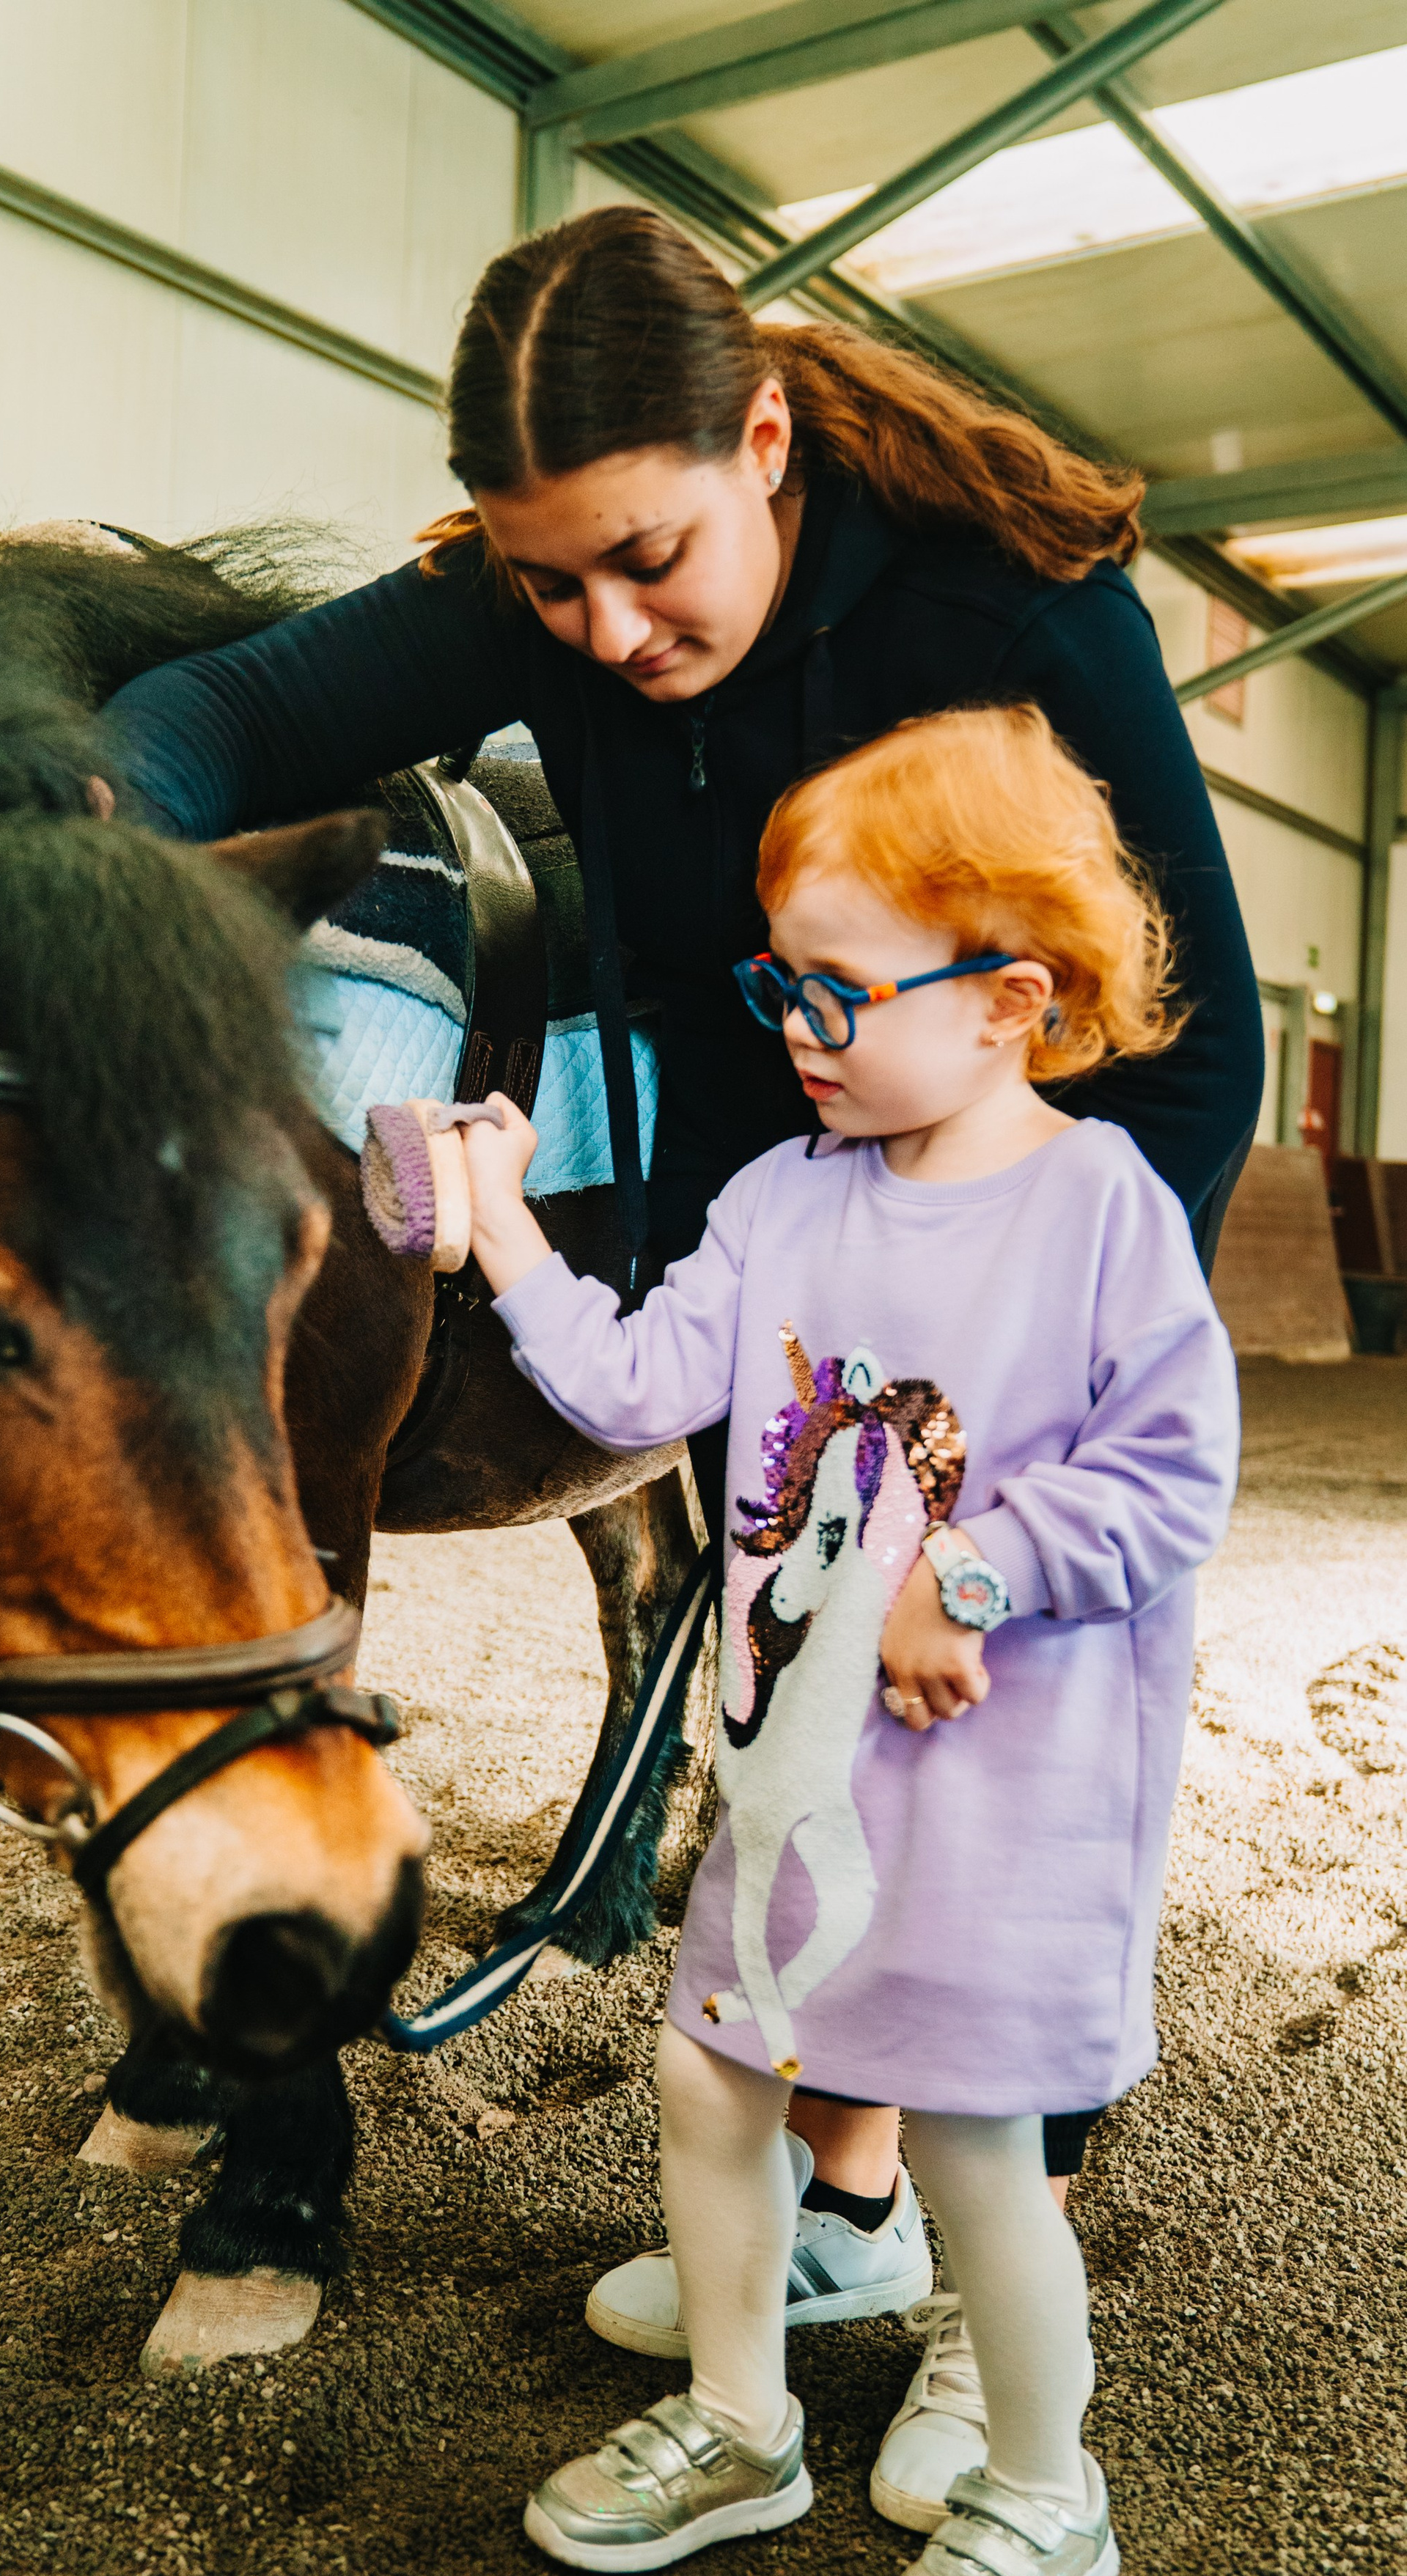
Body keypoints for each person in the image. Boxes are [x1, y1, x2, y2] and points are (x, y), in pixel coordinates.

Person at [101, 206, 1260, 2360]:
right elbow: (226, 709)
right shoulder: (536, 602)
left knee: (997, 1754)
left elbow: (1202, 1044)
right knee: (802, 1727)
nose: (605, 629)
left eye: (651, 557)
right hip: (774, 1207)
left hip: (1031, 1246)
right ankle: (845, 2205)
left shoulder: (1004, 596)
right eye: (548, 580)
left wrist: (1042, 1352)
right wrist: (87, 824)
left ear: (766, 437)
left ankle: (1006, 2295)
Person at [443, 703, 1238, 2576]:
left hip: (1001, 1817)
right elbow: (635, 1392)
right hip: (796, 1792)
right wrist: (508, 1239)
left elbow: (1169, 1477)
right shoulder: (789, 1200)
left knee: (982, 2156)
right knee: (713, 2079)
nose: (795, 1022)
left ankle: (1049, 2499)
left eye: (838, 987)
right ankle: (743, 2423)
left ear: (1008, 1003)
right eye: (774, 979)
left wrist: (969, 1570)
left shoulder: (1102, 1217)